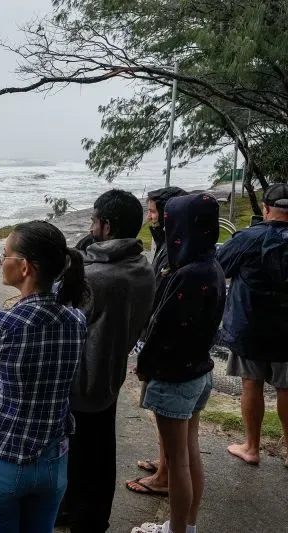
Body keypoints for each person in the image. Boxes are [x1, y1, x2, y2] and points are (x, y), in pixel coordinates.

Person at [0, 220, 88, 533]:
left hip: (2, 461)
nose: (0, 262)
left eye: (4, 255)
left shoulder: (1, 324)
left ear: (25, 268)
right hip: (53, 461)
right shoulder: (75, 319)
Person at [61, 189, 156, 533]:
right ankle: (87, 514)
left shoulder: (98, 278)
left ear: (106, 225)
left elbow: (63, 308)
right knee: (100, 451)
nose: (89, 225)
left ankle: (82, 517)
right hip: (110, 375)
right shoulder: (140, 267)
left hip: (82, 379)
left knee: (79, 455)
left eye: (93, 220)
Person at [132, 194, 226, 533]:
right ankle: (188, 525)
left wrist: (144, 364)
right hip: (199, 371)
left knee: (178, 462)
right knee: (190, 454)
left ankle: (176, 530)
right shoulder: (211, 264)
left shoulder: (188, 274)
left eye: (169, 222)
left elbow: (163, 329)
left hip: (174, 377)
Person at [217, 183, 288, 467]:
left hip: (250, 326)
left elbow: (220, 267)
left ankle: (251, 447)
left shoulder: (248, 238)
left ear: (267, 209)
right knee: (286, 388)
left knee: (252, 384)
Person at [127, 186, 187, 498]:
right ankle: (164, 462)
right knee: (163, 413)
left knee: (165, 410)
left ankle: (165, 475)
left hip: (164, 349)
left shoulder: (176, 253)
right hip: (163, 345)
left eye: (152, 212)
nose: (148, 218)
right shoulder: (172, 244)